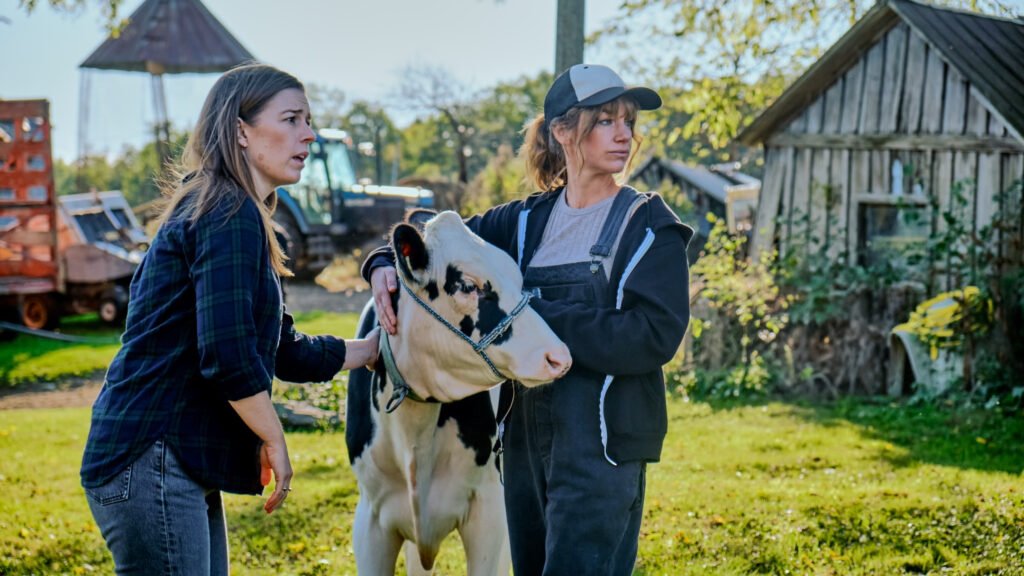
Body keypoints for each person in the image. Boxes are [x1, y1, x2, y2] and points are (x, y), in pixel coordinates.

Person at [364, 64, 693, 575]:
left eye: (628, 121)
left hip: (603, 447)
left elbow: (653, 337)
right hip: (521, 443)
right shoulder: (521, 222)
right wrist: (384, 263)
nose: (625, 134)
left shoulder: (649, 225)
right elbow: (434, 240)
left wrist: (532, 312)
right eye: (606, 120)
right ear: (563, 132)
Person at [80, 63, 379, 575]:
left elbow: (279, 347)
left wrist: (371, 351)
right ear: (241, 130)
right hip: (152, 456)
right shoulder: (226, 212)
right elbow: (227, 354)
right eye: (291, 119)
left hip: (169, 461)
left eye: (307, 120)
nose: (307, 133)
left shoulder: (234, 211)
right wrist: (275, 439)